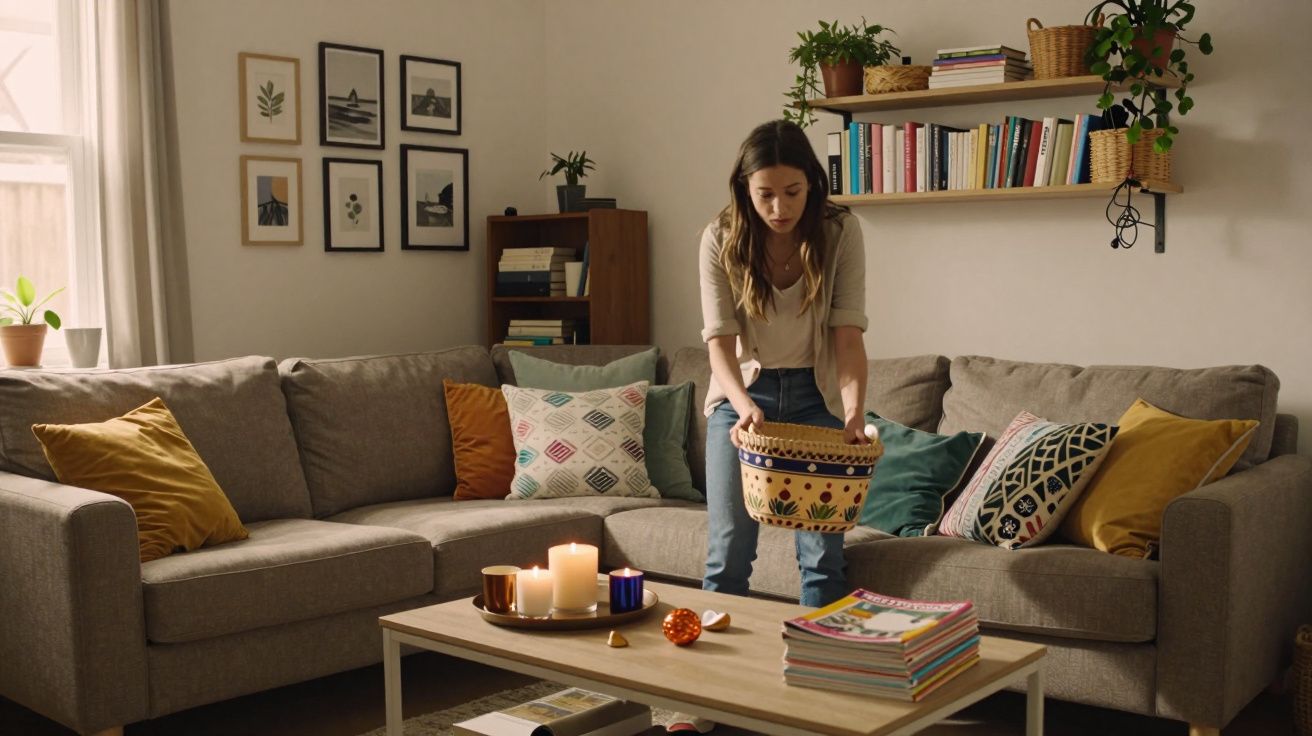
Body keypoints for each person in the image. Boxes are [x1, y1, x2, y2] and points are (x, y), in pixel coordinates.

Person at [665, 119, 869, 734]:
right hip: (741, 397)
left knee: (821, 559)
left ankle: (819, 699)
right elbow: (719, 347)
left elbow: (849, 335)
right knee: (729, 552)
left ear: (813, 185)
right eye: (765, 194)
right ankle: (703, 700)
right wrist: (743, 405)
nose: (780, 207)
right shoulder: (720, 237)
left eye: (793, 192)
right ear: (744, 190)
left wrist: (854, 412)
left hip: (816, 398)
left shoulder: (839, 230)